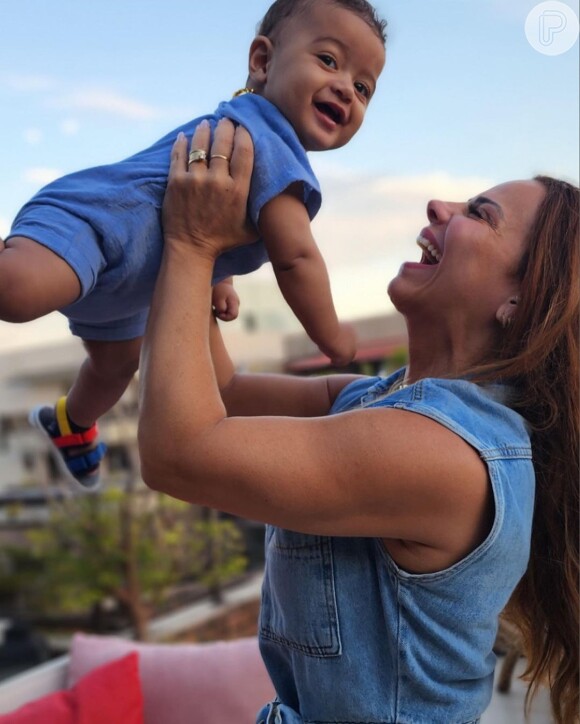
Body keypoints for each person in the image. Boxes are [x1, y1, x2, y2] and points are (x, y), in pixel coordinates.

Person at [138, 120, 579, 724]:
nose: (438, 205)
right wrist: (207, 263)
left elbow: (176, 452)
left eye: (480, 213)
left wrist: (189, 243)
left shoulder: (448, 454)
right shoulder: (380, 400)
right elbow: (224, 393)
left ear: (520, 301)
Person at [0, 0, 387, 488]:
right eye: (328, 60)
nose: (345, 89)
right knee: (16, 292)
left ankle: (70, 423)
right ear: (263, 62)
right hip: (96, 222)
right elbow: (297, 257)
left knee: (115, 368)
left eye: (363, 87)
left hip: (129, 287)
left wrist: (216, 274)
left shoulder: (258, 140)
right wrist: (333, 335)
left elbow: (217, 210)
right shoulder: (266, 139)